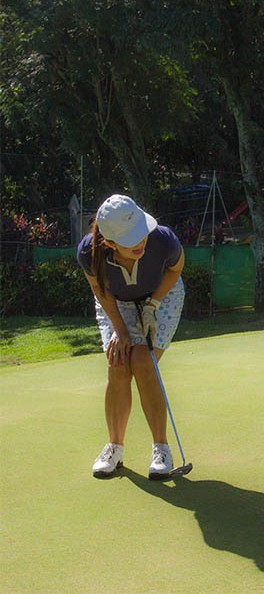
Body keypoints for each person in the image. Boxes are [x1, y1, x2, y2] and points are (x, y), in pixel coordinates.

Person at [77, 194, 185, 479]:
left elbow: (175, 269)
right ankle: (114, 448)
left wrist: (152, 305)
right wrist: (120, 330)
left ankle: (161, 448)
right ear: (110, 243)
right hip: (116, 303)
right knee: (119, 362)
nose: (141, 242)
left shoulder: (162, 239)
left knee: (142, 361)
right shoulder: (89, 252)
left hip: (163, 294)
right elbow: (100, 289)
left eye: (141, 234)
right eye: (130, 240)